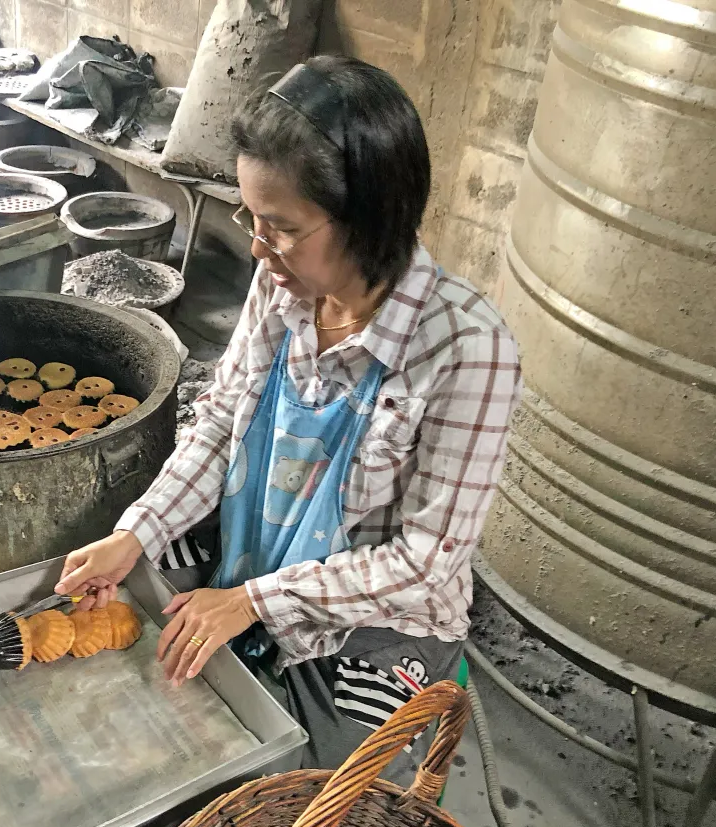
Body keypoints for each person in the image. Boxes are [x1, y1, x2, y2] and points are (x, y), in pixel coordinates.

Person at [56, 55, 523, 780]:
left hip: (369, 615)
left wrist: (250, 602)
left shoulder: (468, 351)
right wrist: (136, 532)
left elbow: (424, 562)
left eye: (279, 226)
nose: (256, 245)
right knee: (114, 623)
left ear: (368, 217)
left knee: (299, 782)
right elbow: (218, 426)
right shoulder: (283, 285)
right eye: (251, 216)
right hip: (256, 544)